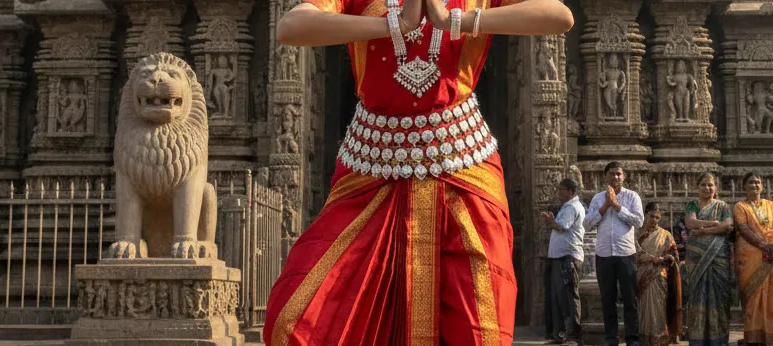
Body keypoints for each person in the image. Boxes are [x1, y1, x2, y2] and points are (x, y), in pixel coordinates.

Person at [263, 1, 574, 345]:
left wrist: (455, 19)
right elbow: (290, 27)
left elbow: (559, 17)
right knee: (294, 319)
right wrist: (393, 24)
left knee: (478, 326)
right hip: (372, 166)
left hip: (462, 166)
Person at [584, 161, 645, 346]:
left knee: (630, 299)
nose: (615, 177)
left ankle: (632, 337)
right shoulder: (597, 198)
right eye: (612, 174)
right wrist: (605, 206)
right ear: (605, 176)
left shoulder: (632, 197)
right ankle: (611, 337)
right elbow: (587, 224)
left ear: (624, 176)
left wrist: (617, 206)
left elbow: (639, 221)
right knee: (607, 299)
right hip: (604, 254)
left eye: (619, 174)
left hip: (625, 253)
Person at [732, 172, 773, 346]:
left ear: (762, 186)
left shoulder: (772, 206)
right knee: (753, 296)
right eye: (750, 182)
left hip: (772, 254)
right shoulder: (740, 206)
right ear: (744, 187)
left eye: (757, 182)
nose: (754, 185)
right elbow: (743, 229)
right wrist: (763, 245)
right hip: (751, 256)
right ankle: (754, 336)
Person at [682, 173, 735, 346]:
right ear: (697, 188)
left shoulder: (723, 206)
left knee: (719, 298)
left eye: (711, 185)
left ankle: (718, 339)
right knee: (698, 297)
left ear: (716, 188)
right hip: (696, 259)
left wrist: (704, 229)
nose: (707, 188)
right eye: (703, 185)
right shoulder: (692, 204)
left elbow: (727, 225)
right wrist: (715, 223)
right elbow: (690, 223)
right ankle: (698, 339)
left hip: (718, 258)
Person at [541, 178, 586, 345]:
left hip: (568, 257)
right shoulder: (567, 207)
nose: (559, 193)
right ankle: (560, 334)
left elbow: (561, 227)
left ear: (571, 191)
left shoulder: (572, 207)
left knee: (569, 296)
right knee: (558, 296)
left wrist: (550, 222)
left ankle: (574, 335)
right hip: (559, 257)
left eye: (562, 190)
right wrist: (553, 221)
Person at [636, 202, 682, 346]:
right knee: (644, 308)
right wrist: (654, 259)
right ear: (645, 215)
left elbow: (674, 255)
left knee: (659, 308)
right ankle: (644, 339)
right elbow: (636, 254)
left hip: (660, 276)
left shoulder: (666, 235)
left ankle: (661, 338)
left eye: (657, 217)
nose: (654, 220)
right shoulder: (638, 233)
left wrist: (670, 258)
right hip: (643, 276)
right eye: (651, 216)